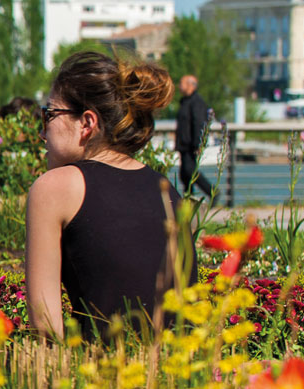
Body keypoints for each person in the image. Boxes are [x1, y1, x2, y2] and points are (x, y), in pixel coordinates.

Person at [24, 52, 192, 342]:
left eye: (49, 115)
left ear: (87, 123)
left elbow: (45, 327)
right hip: (177, 374)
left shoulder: (55, 188)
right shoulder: (167, 190)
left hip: (99, 375)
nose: (42, 132)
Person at [175, 75, 214, 199]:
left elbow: (198, 124)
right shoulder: (185, 101)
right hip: (184, 145)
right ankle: (188, 200)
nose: (179, 86)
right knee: (185, 175)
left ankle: (212, 192)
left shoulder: (196, 102)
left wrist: (198, 144)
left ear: (190, 85)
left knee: (190, 172)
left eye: (181, 83)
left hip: (191, 145)